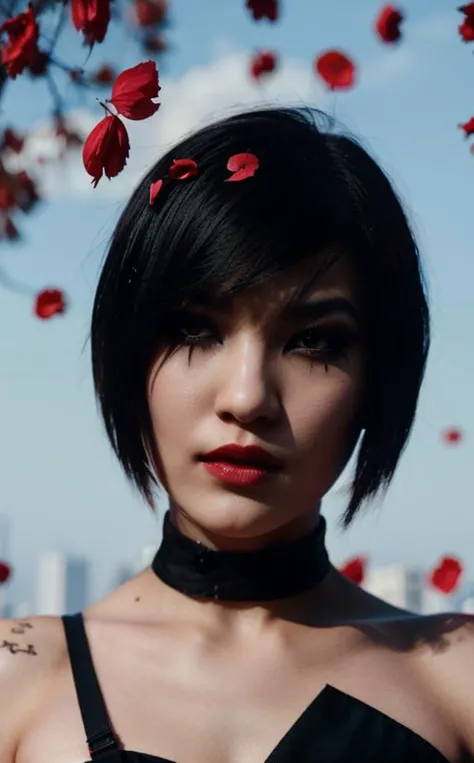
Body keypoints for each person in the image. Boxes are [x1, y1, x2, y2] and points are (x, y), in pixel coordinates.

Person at [1, 106, 473, 763]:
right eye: (196, 328)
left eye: (313, 340)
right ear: (128, 347)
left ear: (378, 377)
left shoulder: (457, 676)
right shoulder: (16, 677)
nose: (248, 397)